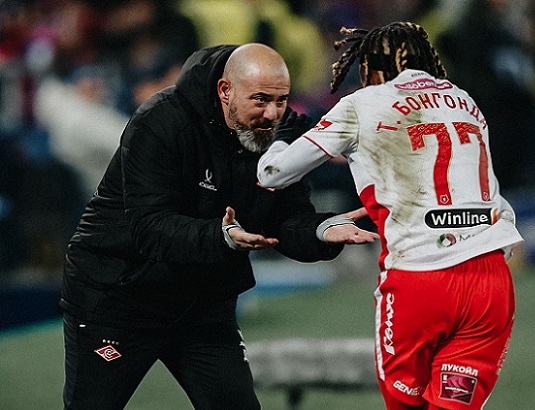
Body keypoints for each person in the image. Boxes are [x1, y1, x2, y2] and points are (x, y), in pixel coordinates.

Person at [60, 42, 378, 410]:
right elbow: (149, 226)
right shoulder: (162, 121)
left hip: (202, 306)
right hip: (117, 298)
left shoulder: (278, 131)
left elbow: (285, 219)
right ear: (225, 90)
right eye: (260, 100)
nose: (272, 113)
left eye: (281, 100)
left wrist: (320, 231)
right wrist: (222, 235)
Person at [257, 22, 524, 410]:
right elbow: (493, 197)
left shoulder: (362, 103)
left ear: (369, 66)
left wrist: (280, 137)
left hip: (419, 279)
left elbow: (272, 175)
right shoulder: (463, 99)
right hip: (490, 282)